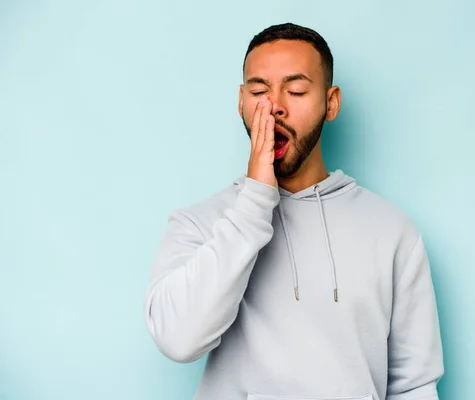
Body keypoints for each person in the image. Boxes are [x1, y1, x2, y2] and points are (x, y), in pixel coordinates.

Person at [143, 22, 444, 400]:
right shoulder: (198, 224)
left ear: (330, 103)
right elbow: (177, 340)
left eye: (297, 90)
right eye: (258, 91)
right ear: (241, 103)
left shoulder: (392, 231)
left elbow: (414, 385)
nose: (274, 107)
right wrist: (254, 203)